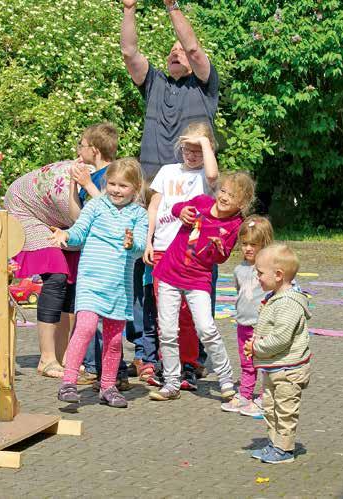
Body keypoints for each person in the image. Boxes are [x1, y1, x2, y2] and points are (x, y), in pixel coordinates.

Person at [4, 123, 118, 378]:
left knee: (71, 281)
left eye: (81, 144)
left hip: (61, 220)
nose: (78, 149)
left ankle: (66, 355)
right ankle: (46, 359)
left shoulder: (105, 175)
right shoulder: (74, 174)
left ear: (95, 150)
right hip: (27, 210)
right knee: (56, 277)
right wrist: (71, 186)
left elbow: (95, 217)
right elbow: (82, 219)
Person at [149, 172, 254, 402]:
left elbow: (222, 257)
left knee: (206, 328)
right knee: (166, 331)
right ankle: (171, 382)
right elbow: (177, 207)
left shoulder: (235, 224)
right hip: (169, 273)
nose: (224, 197)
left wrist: (218, 248)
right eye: (223, 191)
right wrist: (181, 211)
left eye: (232, 195)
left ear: (243, 203)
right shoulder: (202, 203)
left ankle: (226, 379)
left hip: (198, 280)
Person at [52, 158, 149, 408]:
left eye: (123, 186)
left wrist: (133, 244)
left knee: (115, 340)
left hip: (119, 287)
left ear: (135, 188)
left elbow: (140, 246)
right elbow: (79, 231)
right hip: (91, 282)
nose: (116, 190)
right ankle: (69, 382)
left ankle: (108, 386)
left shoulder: (139, 214)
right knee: (84, 328)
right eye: (113, 184)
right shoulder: (95, 206)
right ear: (106, 184)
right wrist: (66, 235)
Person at [143, 121, 219, 390]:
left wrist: (205, 143)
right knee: (165, 313)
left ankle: (188, 364)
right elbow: (154, 207)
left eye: (198, 150)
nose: (192, 155)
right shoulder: (167, 171)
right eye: (188, 149)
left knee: (187, 313)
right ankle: (168, 366)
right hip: (163, 247)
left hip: (190, 252)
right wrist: (148, 240)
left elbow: (212, 176)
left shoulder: (206, 177)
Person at [120, 0, 219, 178]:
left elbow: (193, 48)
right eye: (172, 50)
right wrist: (129, 9)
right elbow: (129, 52)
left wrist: (171, 5)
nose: (175, 53)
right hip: (151, 185)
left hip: (193, 183)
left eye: (181, 51)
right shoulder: (154, 82)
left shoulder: (204, 84)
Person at [245, 244, 311, 464]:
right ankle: (274, 444)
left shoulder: (289, 303)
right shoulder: (275, 297)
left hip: (289, 370)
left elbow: (281, 338)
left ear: (279, 275)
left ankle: (284, 449)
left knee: (285, 410)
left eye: (260, 273)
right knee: (271, 407)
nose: (257, 278)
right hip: (275, 367)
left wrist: (256, 347)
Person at [220, 215, 274, 417]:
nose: (248, 248)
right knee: (246, 362)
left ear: (265, 244)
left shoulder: (268, 270)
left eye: (254, 244)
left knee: (266, 362)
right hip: (243, 323)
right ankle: (245, 394)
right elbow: (239, 292)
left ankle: (266, 396)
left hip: (263, 325)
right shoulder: (239, 269)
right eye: (244, 244)